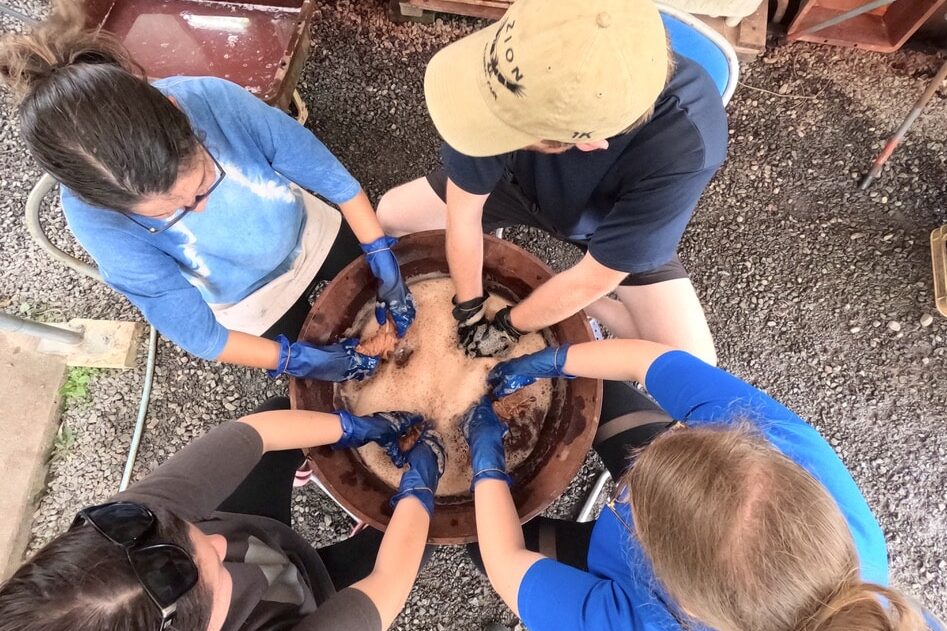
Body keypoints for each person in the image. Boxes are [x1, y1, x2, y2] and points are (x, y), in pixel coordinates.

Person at [0, 1, 415, 382]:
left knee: (367, 282)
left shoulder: (212, 101)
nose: (198, 210)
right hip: (246, 301)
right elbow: (202, 335)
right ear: (102, 203)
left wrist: (379, 251)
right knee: (319, 356)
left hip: (310, 232)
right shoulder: (95, 219)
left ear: (181, 115)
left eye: (199, 187)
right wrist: (294, 360)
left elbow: (334, 181)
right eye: (169, 213)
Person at [461, 339, 934, 630]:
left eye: (635, 507)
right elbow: (651, 362)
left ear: (681, 599)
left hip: (626, 584)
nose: (623, 490)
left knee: (483, 545)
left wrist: (485, 465)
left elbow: (507, 562)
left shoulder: (652, 622)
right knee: (601, 391)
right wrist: (557, 360)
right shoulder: (794, 453)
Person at [376, 0, 727, 364]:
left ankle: (568, 299)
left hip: (605, 224)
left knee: (692, 362)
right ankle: (551, 292)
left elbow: (597, 275)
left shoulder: (688, 143)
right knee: (393, 217)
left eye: (511, 131)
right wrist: (469, 307)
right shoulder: (530, 48)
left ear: (587, 143)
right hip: (513, 182)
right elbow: (464, 211)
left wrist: (510, 325)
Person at [0, 396, 445, 631]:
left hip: (262, 533)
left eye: (187, 530)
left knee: (278, 414)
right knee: (413, 539)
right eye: (210, 564)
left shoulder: (123, 535)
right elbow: (389, 584)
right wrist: (422, 483)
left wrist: (358, 428)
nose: (215, 541)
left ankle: (308, 476)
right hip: (304, 603)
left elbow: (254, 434)